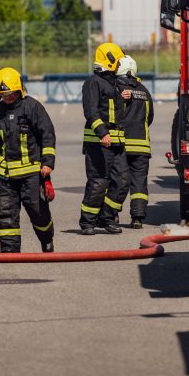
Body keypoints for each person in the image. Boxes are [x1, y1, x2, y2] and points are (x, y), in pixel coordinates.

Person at [0, 68, 56, 253]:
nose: (7, 98)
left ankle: (47, 240)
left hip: (31, 174)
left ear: (19, 90)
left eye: (11, 94)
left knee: (38, 213)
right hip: (5, 177)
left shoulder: (33, 107)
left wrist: (47, 163)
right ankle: (9, 252)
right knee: (6, 214)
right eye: (3, 94)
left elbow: (47, 135)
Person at [79, 42, 129, 235]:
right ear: (109, 60)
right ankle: (87, 221)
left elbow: (113, 110)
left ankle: (107, 217)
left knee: (123, 180)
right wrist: (103, 133)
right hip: (99, 143)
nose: (119, 65)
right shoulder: (93, 82)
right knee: (99, 181)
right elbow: (90, 111)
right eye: (117, 61)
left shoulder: (114, 83)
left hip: (117, 142)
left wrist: (123, 97)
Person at [116, 56, 154, 229]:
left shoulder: (116, 89)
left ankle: (113, 215)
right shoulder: (145, 91)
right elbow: (150, 117)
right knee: (139, 183)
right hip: (142, 145)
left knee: (117, 180)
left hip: (121, 144)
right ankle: (137, 218)